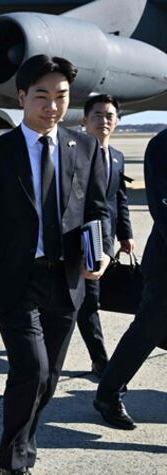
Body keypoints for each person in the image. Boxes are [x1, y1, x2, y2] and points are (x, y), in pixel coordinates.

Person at [0, 55, 109, 475]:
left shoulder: (82, 147)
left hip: (67, 280)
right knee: (31, 370)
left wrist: (100, 251)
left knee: (49, 378)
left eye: (61, 96)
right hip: (15, 280)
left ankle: (22, 456)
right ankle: (12, 466)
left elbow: (98, 209)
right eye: (42, 96)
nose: (52, 106)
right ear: (22, 97)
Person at [93, 129, 167, 429]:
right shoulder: (162, 145)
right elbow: (163, 207)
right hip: (166, 266)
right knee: (146, 331)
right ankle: (108, 394)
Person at [78, 94, 135, 378]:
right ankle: (100, 358)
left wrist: (126, 234)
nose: (104, 120)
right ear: (85, 121)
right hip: (81, 238)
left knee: (94, 296)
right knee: (89, 299)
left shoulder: (116, 157)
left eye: (110, 115)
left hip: (107, 239)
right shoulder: (73, 155)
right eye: (98, 115)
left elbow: (119, 198)